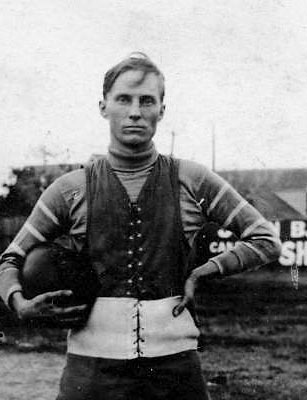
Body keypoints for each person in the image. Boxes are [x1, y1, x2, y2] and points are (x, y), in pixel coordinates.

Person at [0, 53, 282, 399]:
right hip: (91, 372)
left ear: (161, 110)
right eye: (123, 99)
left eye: (147, 100)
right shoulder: (69, 188)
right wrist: (19, 304)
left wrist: (202, 273)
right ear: (103, 106)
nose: (135, 111)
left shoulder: (193, 179)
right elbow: (10, 259)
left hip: (175, 369)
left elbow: (266, 239)